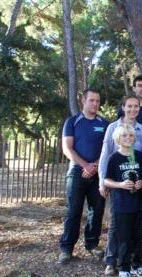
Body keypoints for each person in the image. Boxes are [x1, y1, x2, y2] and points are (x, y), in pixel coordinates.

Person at [98, 95, 142, 276]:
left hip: (137, 195)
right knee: (117, 227)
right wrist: (103, 182)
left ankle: (135, 262)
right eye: (129, 106)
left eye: (136, 106)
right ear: (123, 107)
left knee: (136, 230)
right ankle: (112, 261)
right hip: (119, 190)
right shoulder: (113, 127)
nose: (133, 109)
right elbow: (105, 156)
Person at [58, 88, 109, 265]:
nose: (95, 104)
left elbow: (107, 149)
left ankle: (92, 244)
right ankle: (66, 249)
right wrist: (84, 165)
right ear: (83, 101)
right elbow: (67, 148)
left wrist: (94, 165)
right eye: (92, 100)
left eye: (98, 101)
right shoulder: (72, 122)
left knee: (97, 210)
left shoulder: (104, 123)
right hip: (77, 172)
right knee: (73, 211)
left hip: (97, 173)